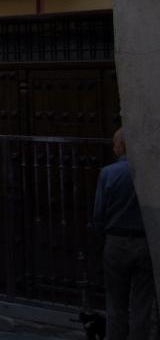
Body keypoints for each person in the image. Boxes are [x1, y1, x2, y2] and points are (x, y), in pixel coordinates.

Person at [93, 127, 158, 340]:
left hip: (116, 241)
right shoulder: (153, 173)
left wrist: (102, 238)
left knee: (115, 304)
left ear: (122, 146)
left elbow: (99, 213)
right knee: (142, 304)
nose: (114, 148)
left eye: (115, 144)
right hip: (145, 242)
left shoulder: (108, 173)